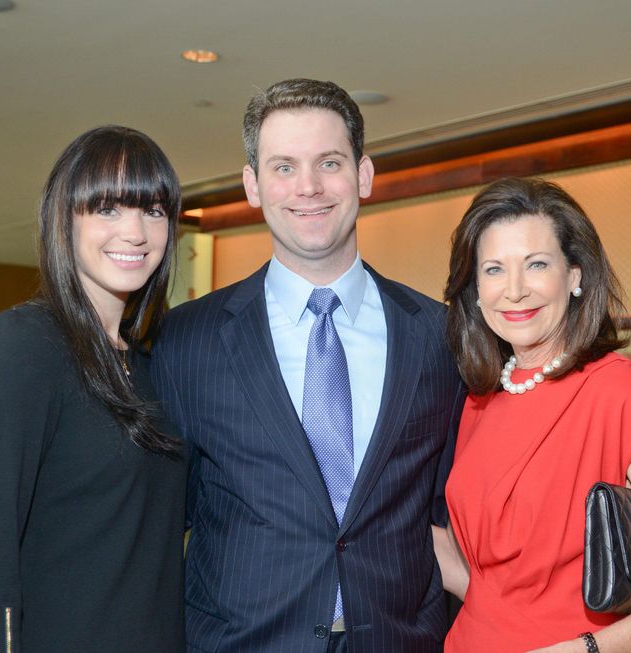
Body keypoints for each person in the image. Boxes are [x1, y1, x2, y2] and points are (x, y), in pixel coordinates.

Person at [151, 78, 465, 653]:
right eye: (284, 167)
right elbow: (161, 520)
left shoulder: (440, 335)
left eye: (328, 162)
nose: (310, 187)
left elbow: (455, 509)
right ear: (253, 185)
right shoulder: (185, 340)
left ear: (363, 175)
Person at [438, 177, 631, 652]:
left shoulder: (620, 392)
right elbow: (479, 581)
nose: (514, 291)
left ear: (575, 275)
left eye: (536, 265)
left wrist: (584, 650)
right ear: (475, 289)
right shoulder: (479, 400)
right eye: (493, 270)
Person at [0, 126, 187, 652]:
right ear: (64, 220)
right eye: (107, 209)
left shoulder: (149, 364)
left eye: (153, 210)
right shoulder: (26, 345)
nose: (135, 232)